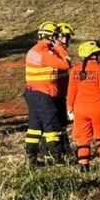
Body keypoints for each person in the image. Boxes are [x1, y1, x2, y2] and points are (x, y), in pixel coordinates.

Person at [67, 40, 100, 172]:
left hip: (80, 110)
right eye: (98, 53)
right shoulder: (99, 69)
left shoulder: (75, 69)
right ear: (93, 55)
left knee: (82, 139)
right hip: (98, 109)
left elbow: (71, 91)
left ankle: (84, 167)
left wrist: (70, 109)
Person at [24, 21, 71, 167]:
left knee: (34, 127)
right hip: (43, 94)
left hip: (32, 93)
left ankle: (31, 160)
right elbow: (66, 64)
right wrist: (60, 49)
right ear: (49, 36)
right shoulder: (44, 54)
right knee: (52, 126)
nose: (57, 38)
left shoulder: (34, 51)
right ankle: (57, 159)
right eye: (55, 36)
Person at [52, 22, 75, 158]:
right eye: (63, 37)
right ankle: (56, 149)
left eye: (67, 37)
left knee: (61, 122)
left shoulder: (58, 49)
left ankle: (64, 147)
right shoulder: (58, 50)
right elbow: (67, 65)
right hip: (54, 92)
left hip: (61, 91)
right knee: (56, 122)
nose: (65, 40)